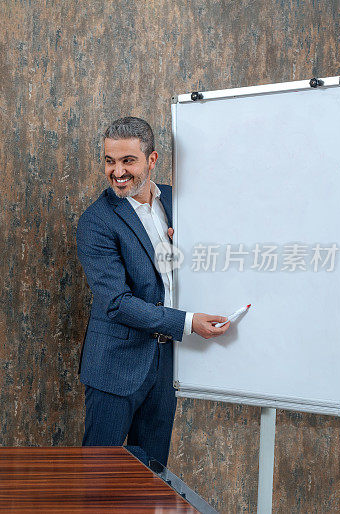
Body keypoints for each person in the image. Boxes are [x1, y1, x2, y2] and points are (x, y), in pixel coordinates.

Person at [76, 117, 229, 466]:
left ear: (152, 160)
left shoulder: (178, 202)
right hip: (114, 366)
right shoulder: (97, 221)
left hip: (166, 364)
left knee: (153, 476)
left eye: (128, 160)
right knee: (99, 478)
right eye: (109, 160)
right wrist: (189, 322)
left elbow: (207, 256)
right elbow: (116, 304)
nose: (117, 171)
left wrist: (192, 246)